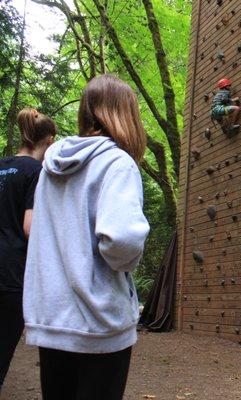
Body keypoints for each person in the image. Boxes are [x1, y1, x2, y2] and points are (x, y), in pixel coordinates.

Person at [23, 74, 150, 400]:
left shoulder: (50, 169)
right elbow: (122, 241)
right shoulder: (117, 163)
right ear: (127, 115)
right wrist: (127, 264)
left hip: (53, 321)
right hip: (99, 322)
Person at [0, 108, 56, 393]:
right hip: (11, 274)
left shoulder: (1, 165)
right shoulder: (36, 172)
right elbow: (29, 227)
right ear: (47, 141)